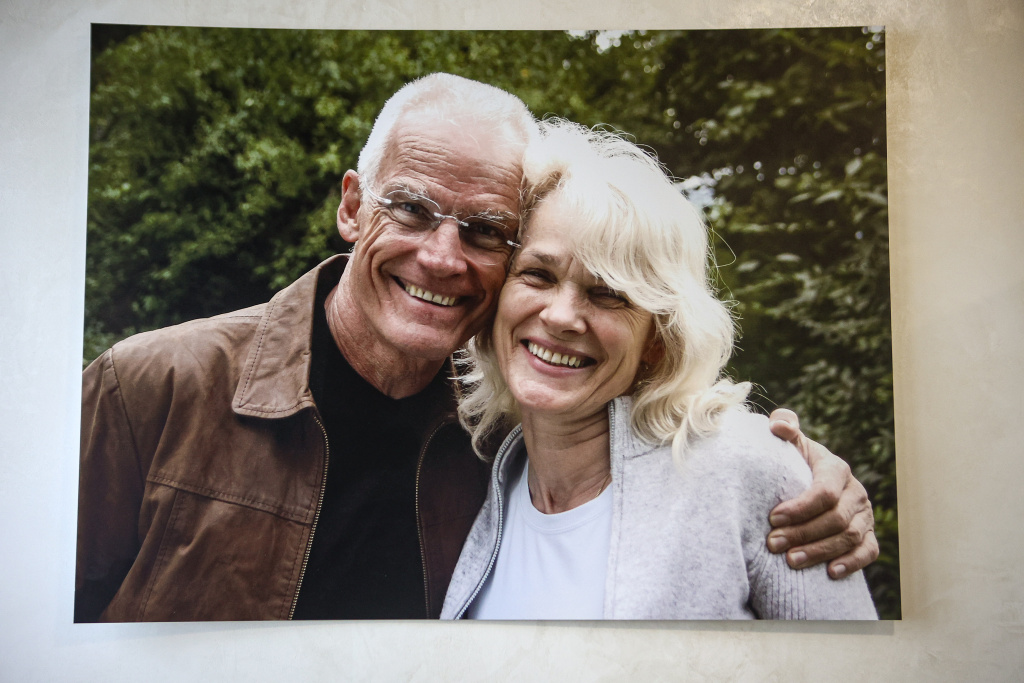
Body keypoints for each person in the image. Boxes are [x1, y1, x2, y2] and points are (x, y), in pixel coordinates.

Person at [76, 74, 877, 622]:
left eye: (486, 230)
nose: (441, 257)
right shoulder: (152, 385)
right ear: (352, 206)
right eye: (412, 209)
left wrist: (812, 476)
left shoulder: (493, 434)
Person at [441, 120, 877, 619]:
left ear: (657, 339)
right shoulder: (478, 469)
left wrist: (787, 470)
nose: (561, 317)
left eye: (608, 294)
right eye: (538, 275)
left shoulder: (744, 469)